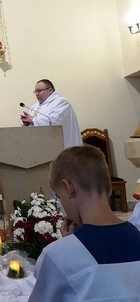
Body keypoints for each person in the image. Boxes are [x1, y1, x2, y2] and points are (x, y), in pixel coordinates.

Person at [29, 145, 140, 301]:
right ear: (108, 189)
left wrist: (68, 244)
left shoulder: (57, 255)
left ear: (68, 187)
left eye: (59, 197)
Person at [20, 79, 82, 148]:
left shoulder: (62, 103)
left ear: (50, 90)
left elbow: (54, 121)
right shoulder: (34, 107)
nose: (37, 94)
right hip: (40, 147)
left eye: (39, 91)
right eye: (35, 91)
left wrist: (33, 120)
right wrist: (27, 124)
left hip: (61, 146)